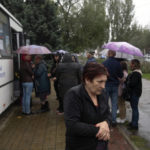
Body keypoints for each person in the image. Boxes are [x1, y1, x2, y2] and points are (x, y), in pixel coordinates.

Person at [64, 63, 111, 150]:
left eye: (105, 81)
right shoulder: (74, 95)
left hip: (101, 144)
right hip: (81, 145)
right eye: (100, 82)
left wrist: (106, 123)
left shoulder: (103, 93)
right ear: (87, 80)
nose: (103, 86)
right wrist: (100, 130)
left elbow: (108, 114)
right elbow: (72, 124)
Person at [103, 50, 123, 126]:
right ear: (114, 54)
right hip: (115, 85)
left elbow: (101, 73)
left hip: (106, 84)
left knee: (105, 103)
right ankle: (114, 121)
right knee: (114, 104)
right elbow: (121, 75)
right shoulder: (118, 64)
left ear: (108, 54)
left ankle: (106, 119)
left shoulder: (104, 63)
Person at [127, 59, 142, 130]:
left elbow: (133, 83)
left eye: (131, 63)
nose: (130, 65)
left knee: (135, 108)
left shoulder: (136, 73)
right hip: (135, 93)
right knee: (134, 108)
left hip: (135, 93)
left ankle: (135, 124)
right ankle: (133, 122)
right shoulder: (136, 73)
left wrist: (128, 81)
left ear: (134, 64)